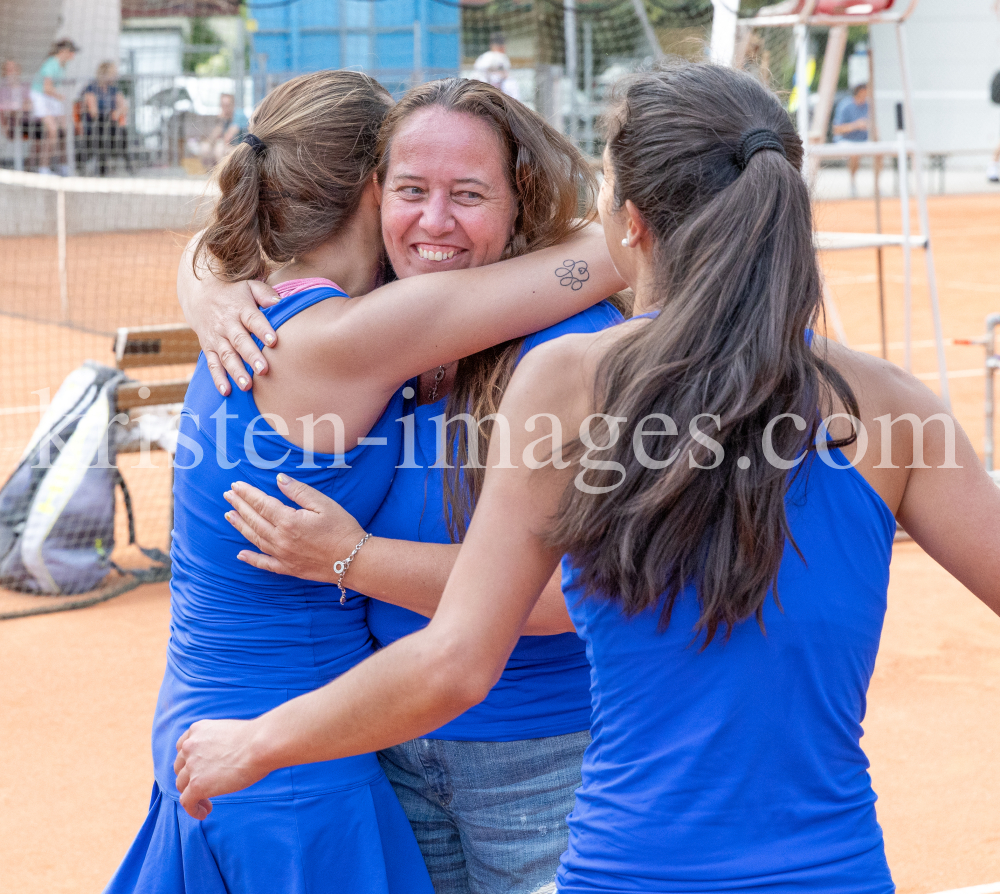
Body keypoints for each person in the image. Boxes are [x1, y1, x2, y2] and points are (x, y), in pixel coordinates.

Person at [174, 63, 1000, 892]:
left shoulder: (573, 379)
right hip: (835, 871)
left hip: (624, 864)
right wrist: (204, 280)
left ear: (629, 222)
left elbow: (457, 659)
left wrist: (256, 741)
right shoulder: (894, 408)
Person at [105, 70, 622, 894]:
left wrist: (201, 276)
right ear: (372, 188)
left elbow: (573, 585)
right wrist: (202, 282)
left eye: (467, 193)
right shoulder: (350, 335)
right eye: (410, 186)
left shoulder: (299, 314)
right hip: (298, 743)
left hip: (310, 729)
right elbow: (607, 251)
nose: (433, 220)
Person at [30, 38, 78, 175]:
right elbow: (47, 88)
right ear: (63, 51)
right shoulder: (51, 63)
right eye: (71, 52)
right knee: (52, 131)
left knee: (65, 130)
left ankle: (64, 166)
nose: (73, 55)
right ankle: (43, 169)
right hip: (41, 97)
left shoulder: (63, 65)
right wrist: (62, 97)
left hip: (52, 98)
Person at [81, 61, 131, 176]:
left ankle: (127, 165)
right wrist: (110, 114)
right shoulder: (91, 88)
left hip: (111, 123)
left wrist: (116, 113)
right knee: (102, 131)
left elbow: (124, 107)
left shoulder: (113, 89)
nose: (115, 76)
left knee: (121, 131)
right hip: (95, 125)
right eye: (113, 73)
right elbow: (94, 112)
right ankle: (102, 169)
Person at [832, 83, 869, 197]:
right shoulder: (845, 105)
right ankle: (852, 183)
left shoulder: (869, 105)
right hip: (846, 141)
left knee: (881, 153)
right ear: (859, 92)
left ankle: (878, 185)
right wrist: (856, 125)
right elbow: (836, 129)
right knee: (854, 152)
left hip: (864, 141)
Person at [198, 91, 247, 169]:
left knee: (219, 148)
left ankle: (221, 175)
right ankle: (210, 174)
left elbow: (228, 136)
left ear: (233, 105)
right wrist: (220, 122)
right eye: (222, 105)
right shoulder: (224, 118)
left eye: (227, 105)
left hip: (241, 148)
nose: (224, 108)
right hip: (228, 146)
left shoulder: (239, 115)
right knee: (205, 147)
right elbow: (212, 138)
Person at [472, 32, 519, 100]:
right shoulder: (502, 57)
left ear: (491, 45)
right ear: (502, 46)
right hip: (488, 88)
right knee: (510, 83)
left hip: (481, 90)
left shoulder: (483, 56)